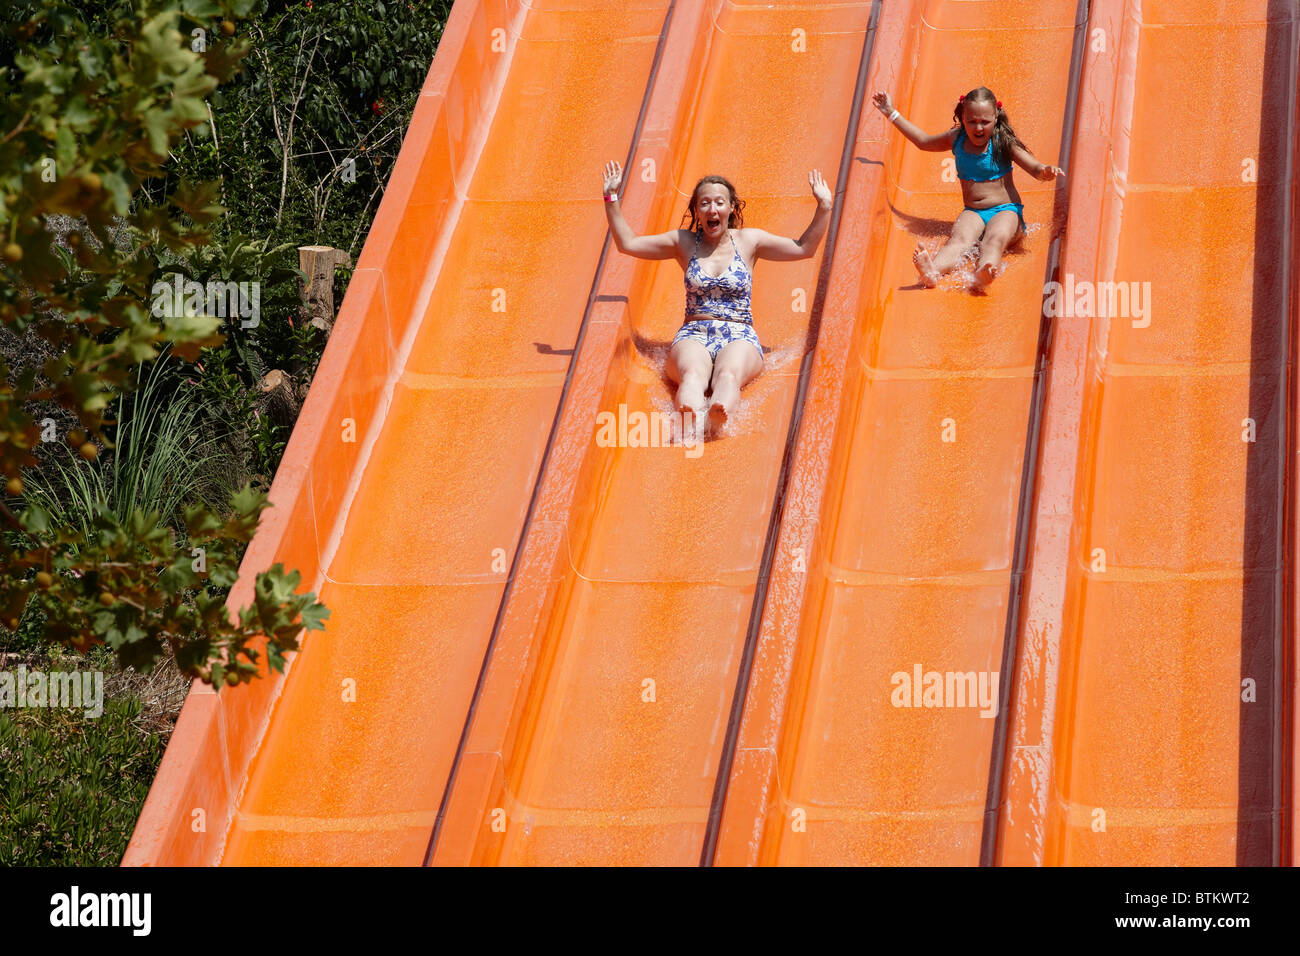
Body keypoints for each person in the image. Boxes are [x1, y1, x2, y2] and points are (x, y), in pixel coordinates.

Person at [602, 164, 832, 433]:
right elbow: (627, 244)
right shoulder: (683, 243)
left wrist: (824, 206)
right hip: (694, 332)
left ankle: (717, 415)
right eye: (705, 203)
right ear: (697, 211)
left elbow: (803, 248)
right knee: (692, 375)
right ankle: (689, 416)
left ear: (732, 207)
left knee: (728, 375)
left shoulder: (750, 241)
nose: (712, 209)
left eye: (719, 203)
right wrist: (611, 198)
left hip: (739, 334)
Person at [873, 86, 1064, 290]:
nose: (978, 128)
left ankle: (985, 271)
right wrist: (890, 112)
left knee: (993, 240)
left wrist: (1045, 170)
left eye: (985, 122)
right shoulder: (957, 138)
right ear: (962, 118)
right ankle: (932, 271)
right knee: (959, 240)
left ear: (996, 119)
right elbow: (923, 141)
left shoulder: (1002, 142)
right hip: (973, 212)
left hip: (1006, 211)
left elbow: (1033, 167)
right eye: (972, 121)